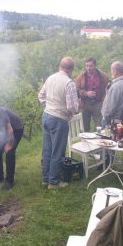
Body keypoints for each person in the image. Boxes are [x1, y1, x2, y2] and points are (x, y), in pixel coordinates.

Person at [38, 57, 79, 189]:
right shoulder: (69, 83)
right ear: (71, 69)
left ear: (60, 66)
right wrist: (71, 112)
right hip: (59, 119)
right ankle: (54, 182)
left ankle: (45, 179)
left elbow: (41, 96)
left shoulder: (50, 78)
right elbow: (72, 107)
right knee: (58, 152)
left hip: (46, 115)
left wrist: (50, 106)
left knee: (47, 150)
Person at [75, 57, 108, 132]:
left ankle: (98, 142)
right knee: (85, 127)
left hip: (98, 104)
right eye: (86, 66)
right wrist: (86, 93)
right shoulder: (80, 77)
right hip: (85, 104)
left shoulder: (103, 76)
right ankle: (86, 143)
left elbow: (107, 89)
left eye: (90, 66)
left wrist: (104, 101)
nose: (88, 68)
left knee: (99, 127)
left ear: (95, 65)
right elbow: (76, 90)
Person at [101, 61, 123, 127]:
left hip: (113, 120)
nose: (111, 72)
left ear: (116, 71)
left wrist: (105, 117)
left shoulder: (116, 86)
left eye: (111, 70)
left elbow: (111, 106)